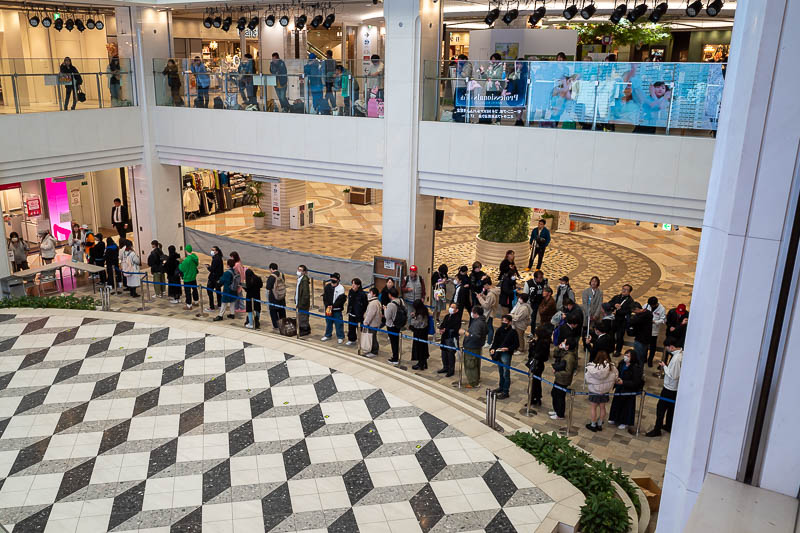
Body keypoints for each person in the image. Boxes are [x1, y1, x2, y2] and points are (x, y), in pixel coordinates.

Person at [646, 337, 683, 437]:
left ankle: (657, 429)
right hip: (674, 389)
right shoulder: (680, 355)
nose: (666, 349)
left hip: (669, 388)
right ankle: (668, 425)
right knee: (670, 409)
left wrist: (664, 366)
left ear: (671, 347)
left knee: (661, 409)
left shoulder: (676, 359)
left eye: (667, 347)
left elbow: (673, 375)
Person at [608, 349, 643, 430]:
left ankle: (624, 422)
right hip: (619, 388)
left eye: (628, 356)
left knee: (626, 406)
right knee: (616, 403)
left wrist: (623, 382)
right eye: (625, 355)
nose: (626, 357)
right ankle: (614, 418)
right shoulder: (622, 363)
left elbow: (636, 382)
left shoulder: (636, 368)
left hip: (628, 390)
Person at [584, 351, 619, 432]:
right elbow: (616, 376)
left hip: (594, 391)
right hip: (605, 391)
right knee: (602, 407)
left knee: (593, 408)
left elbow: (587, 378)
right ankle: (599, 424)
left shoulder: (592, 368)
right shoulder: (612, 367)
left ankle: (593, 424)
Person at [489, 315, 519, 400]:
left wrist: (508, 349)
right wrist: (492, 349)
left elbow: (516, 344)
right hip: (498, 353)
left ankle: (506, 391)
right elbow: (495, 342)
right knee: (501, 371)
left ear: (510, 322)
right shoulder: (499, 330)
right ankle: (501, 387)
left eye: (506, 321)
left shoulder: (513, 332)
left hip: (506, 354)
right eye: (503, 321)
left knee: (506, 373)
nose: (504, 322)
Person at [549, 333, 578, 420]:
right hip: (559, 378)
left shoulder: (569, 357)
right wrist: (559, 347)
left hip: (563, 380)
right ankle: (557, 410)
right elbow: (556, 354)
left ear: (568, 346)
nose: (563, 343)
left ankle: (560, 414)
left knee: (560, 396)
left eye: (565, 342)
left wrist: (556, 372)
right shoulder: (566, 352)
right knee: (555, 394)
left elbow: (568, 372)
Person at [462, 306, 488, 388]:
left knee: (470, 364)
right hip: (477, 346)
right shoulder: (482, 321)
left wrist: (465, 333)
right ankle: (476, 378)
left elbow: (475, 336)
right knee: (476, 363)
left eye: (472, 312)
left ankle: (473, 382)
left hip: (472, 346)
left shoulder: (477, 323)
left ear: (476, 313)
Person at [526, 326, 551, 407]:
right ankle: (537, 398)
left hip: (537, 365)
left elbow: (534, 353)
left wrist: (532, 344)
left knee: (534, 382)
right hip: (539, 365)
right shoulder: (545, 342)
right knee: (536, 382)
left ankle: (533, 398)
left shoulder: (541, 343)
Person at [608, 284, 634, 355]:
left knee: (619, 337)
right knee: (611, 335)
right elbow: (609, 303)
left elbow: (628, 311)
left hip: (622, 321)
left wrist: (619, 311)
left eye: (626, 290)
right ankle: (611, 348)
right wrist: (614, 305)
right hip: (614, 320)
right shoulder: (617, 297)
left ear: (629, 292)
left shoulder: (630, 301)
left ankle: (618, 351)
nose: (624, 290)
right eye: (623, 289)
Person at [321, 272, 346, 343]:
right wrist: (328, 305)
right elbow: (325, 297)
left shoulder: (341, 288)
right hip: (328, 308)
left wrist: (333, 306)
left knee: (338, 323)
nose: (333, 280)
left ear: (338, 280)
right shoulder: (327, 286)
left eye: (334, 278)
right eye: (332, 278)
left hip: (337, 309)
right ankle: (328, 335)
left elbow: (340, 300)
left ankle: (340, 336)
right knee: (328, 322)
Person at [628, 302, 653, 371]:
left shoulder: (642, 316)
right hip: (645, 339)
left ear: (636, 309)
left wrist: (632, 318)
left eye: (634, 311)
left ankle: (638, 372)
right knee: (641, 357)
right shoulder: (647, 312)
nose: (634, 313)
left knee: (638, 357)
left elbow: (631, 322)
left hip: (640, 339)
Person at [438, 302, 461, 377]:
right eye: (450, 307)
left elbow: (455, 328)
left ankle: (451, 370)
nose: (451, 308)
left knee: (450, 354)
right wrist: (441, 329)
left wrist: (446, 329)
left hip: (451, 338)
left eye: (453, 307)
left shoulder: (457, 318)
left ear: (456, 310)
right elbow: (443, 324)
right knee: (444, 353)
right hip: (444, 337)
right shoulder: (447, 316)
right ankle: (445, 367)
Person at [581, 276, 603, 348]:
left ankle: (594, 344)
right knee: (585, 331)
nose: (593, 282)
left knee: (594, 332)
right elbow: (585, 304)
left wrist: (595, 315)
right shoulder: (585, 292)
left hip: (596, 316)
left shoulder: (600, 292)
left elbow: (600, 304)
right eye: (592, 281)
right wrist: (589, 315)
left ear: (598, 283)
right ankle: (585, 345)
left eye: (595, 281)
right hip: (587, 315)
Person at [384, 288, 405, 364]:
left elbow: (387, 316)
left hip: (391, 325)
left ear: (390, 295)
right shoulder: (401, 301)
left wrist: (385, 309)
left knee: (393, 342)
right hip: (398, 324)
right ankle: (396, 356)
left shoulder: (391, 305)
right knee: (396, 341)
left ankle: (395, 358)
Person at [476, 278, 499, 346]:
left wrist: (479, 298)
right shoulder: (494, 291)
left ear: (487, 285)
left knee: (489, 327)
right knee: (489, 326)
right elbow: (489, 301)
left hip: (490, 312)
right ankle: (489, 340)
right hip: (492, 310)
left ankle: (489, 342)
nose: (484, 287)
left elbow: (486, 305)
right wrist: (483, 296)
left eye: (484, 286)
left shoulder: (491, 294)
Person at [645, 296, 667, 367]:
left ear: (656, 304)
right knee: (645, 345)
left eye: (652, 305)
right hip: (645, 329)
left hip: (654, 331)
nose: (651, 306)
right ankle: (644, 358)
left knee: (652, 347)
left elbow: (663, 320)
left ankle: (650, 360)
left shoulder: (662, 309)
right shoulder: (646, 305)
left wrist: (655, 322)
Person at [409, 300, 430, 370]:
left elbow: (416, 323)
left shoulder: (420, 314)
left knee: (419, 348)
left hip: (419, 332)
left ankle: (421, 364)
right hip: (424, 332)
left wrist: (413, 318)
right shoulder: (424, 311)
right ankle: (424, 362)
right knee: (423, 348)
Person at [346, 278, 368, 345]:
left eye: (354, 284)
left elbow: (365, 304)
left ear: (358, 285)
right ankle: (352, 339)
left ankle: (363, 341)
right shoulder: (351, 291)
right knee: (351, 328)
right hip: (351, 313)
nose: (353, 285)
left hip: (359, 314)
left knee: (360, 328)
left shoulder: (362, 294)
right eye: (352, 284)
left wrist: (362, 312)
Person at [266, 263, 287, 330]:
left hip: (274, 297)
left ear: (271, 269)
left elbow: (268, 287)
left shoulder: (271, 277)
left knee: (273, 312)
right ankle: (283, 324)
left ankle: (276, 326)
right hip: (282, 296)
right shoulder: (281, 275)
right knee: (282, 312)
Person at [362, 287, 383, 356]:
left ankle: (374, 351)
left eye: (370, 293)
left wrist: (366, 322)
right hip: (374, 323)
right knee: (373, 336)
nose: (368, 294)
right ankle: (372, 349)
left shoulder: (373, 303)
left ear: (374, 294)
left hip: (372, 324)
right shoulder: (375, 302)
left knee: (372, 337)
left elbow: (370, 315)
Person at [179, 244, 199, 310]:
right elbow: (196, 264)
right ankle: (196, 301)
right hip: (193, 277)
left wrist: (180, 263)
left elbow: (182, 268)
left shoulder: (187, 260)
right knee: (195, 289)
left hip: (187, 278)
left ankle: (189, 305)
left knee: (188, 292)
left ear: (186, 251)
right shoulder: (194, 257)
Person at [204, 246, 223, 311]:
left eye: (213, 250)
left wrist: (208, 267)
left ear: (217, 251)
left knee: (209, 291)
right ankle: (220, 305)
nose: (211, 251)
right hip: (218, 278)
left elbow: (212, 269)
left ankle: (211, 307)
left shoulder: (216, 259)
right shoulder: (219, 258)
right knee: (218, 292)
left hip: (213, 278)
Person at [296, 265, 311, 336]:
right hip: (299, 301)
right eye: (298, 269)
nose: (299, 271)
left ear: (304, 272)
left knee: (303, 317)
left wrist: (302, 303)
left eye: (301, 270)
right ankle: (303, 328)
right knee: (301, 317)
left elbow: (305, 294)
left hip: (302, 303)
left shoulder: (304, 280)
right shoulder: (300, 278)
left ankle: (305, 330)